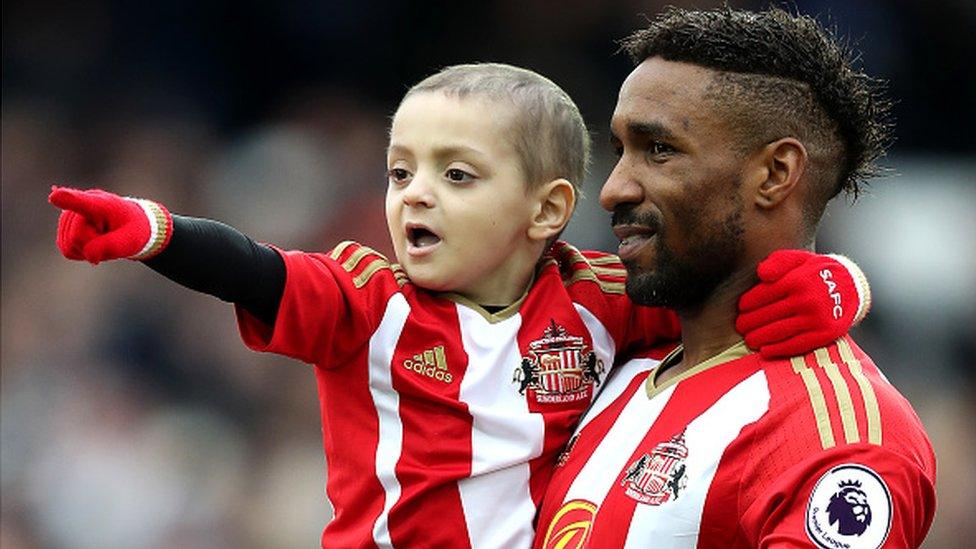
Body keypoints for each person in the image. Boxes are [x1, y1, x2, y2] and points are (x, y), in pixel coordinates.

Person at [49, 63, 868, 548]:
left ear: (546, 210)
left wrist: (843, 286)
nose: (415, 197)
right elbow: (258, 272)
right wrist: (157, 231)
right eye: (401, 172)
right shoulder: (367, 301)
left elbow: (733, 294)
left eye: (457, 175)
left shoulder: (600, 299)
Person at [534, 7, 936, 549]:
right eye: (620, 151)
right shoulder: (607, 355)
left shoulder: (841, 437)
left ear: (774, 174)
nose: (612, 189)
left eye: (659, 150)